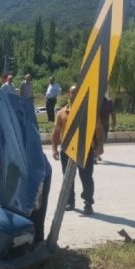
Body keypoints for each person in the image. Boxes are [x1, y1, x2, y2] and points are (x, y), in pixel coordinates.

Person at [51, 85, 105, 215]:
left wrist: (99, 146)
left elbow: (99, 130)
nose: (74, 95)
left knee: (86, 177)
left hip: (85, 149)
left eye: (77, 93)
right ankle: (70, 201)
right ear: (69, 94)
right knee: (68, 177)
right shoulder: (62, 113)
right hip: (67, 150)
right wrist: (54, 149)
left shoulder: (89, 112)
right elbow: (56, 132)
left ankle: (88, 203)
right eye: (72, 93)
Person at [95, 95, 116, 162]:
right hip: (94, 125)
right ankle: (94, 156)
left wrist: (114, 121)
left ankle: (97, 154)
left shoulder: (108, 101)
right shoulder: (94, 99)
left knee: (103, 140)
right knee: (95, 140)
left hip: (104, 125)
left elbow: (113, 112)